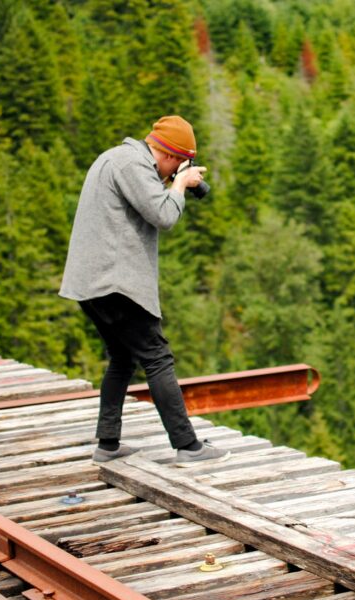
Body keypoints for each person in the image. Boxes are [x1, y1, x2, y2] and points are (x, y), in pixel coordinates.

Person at [59, 115, 231, 467]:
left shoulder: (116, 158)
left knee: (123, 358)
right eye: (178, 163)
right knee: (157, 356)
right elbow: (164, 216)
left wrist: (175, 179)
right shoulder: (133, 164)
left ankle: (107, 444)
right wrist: (180, 184)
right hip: (114, 282)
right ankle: (187, 445)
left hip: (91, 283)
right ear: (170, 156)